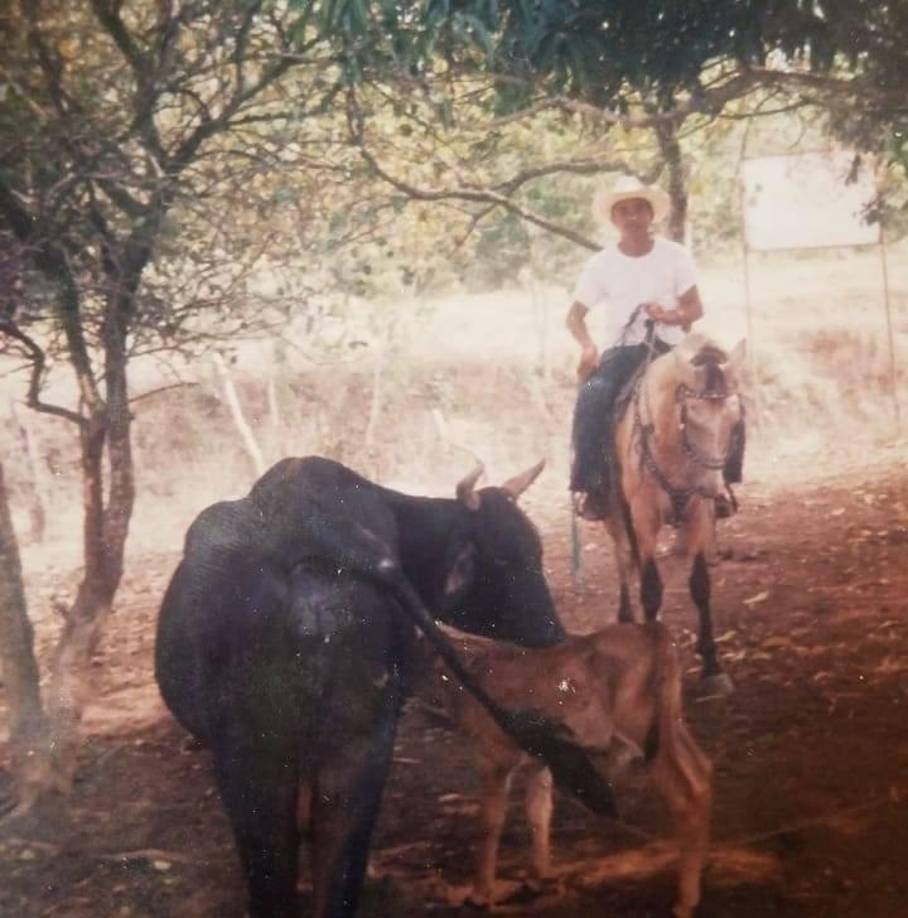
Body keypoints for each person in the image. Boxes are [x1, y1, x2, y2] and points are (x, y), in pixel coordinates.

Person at [566, 175, 740, 521]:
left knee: (726, 397)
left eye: (639, 209)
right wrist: (587, 346)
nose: (632, 216)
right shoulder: (601, 264)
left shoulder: (674, 255)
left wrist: (670, 316)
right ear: (614, 219)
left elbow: (695, 307)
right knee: (592, 398)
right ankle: (593, 486)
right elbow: (574, 317)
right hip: (621, 350)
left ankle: (723, 482)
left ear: (650, 215)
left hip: (673, 351)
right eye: (624, 211)